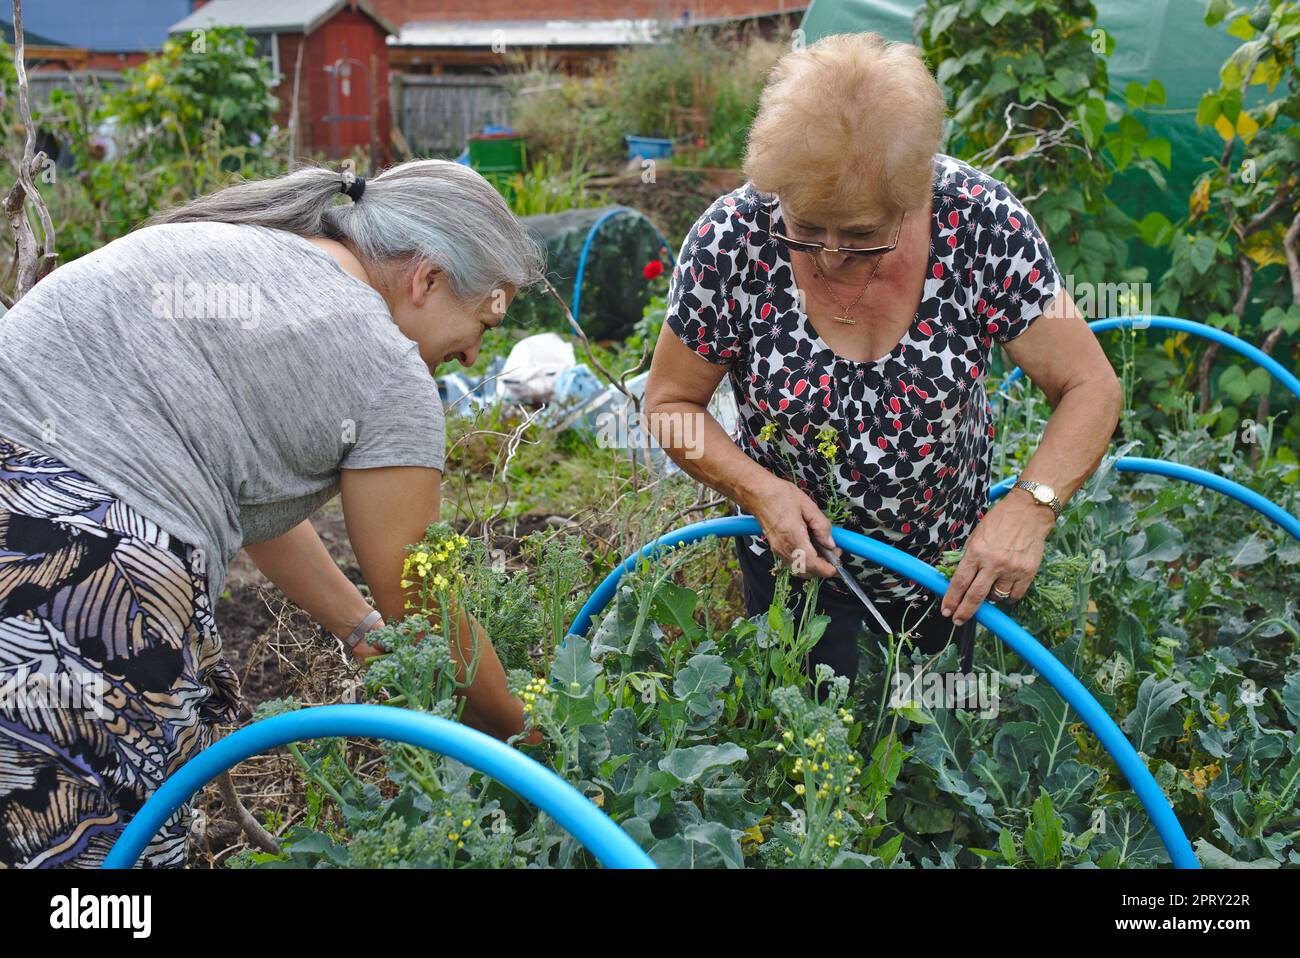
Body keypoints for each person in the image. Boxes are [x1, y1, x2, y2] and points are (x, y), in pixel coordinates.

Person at [0, 159, 544, 867]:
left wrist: (355, 625)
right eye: (480, 322)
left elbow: (250, 491)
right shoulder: (386, 368)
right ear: (428, 278)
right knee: (93, 863)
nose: (473, 351)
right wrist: (520, 736)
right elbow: (419, 595)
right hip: (81, 578)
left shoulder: (240, 250)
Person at [644, 33, 1122, 687]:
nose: (832, 256)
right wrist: (757, 489)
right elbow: (669, 406)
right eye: (806, 228)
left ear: (914, 195)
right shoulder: (732, 242)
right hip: (795, 575)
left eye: (863, 235)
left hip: (947, 572)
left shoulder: (979, 226)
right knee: (809, 764)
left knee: (937, 758)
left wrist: (1029, 506)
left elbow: (1090, 385)